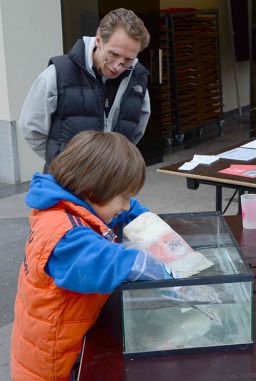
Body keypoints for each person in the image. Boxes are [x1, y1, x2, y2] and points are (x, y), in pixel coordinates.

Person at [11, 131, 172, 381]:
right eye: (124, 197)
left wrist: (152, 228)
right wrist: (170, 277)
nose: (127, 205)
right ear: (93, 192)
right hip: (52, 366)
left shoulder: (76, 203)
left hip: (64, 343)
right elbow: (110, 262)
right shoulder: (64, 236)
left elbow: (125, 213)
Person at [19, 8, 151, 172]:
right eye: (113, 54)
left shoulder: (137, 79)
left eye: (128, 60)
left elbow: (137, 130)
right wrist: (61, 161)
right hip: (66, 182)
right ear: (98, 41)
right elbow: (31, 128)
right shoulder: (57, 74)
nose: (118, 66)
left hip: (113, 181)